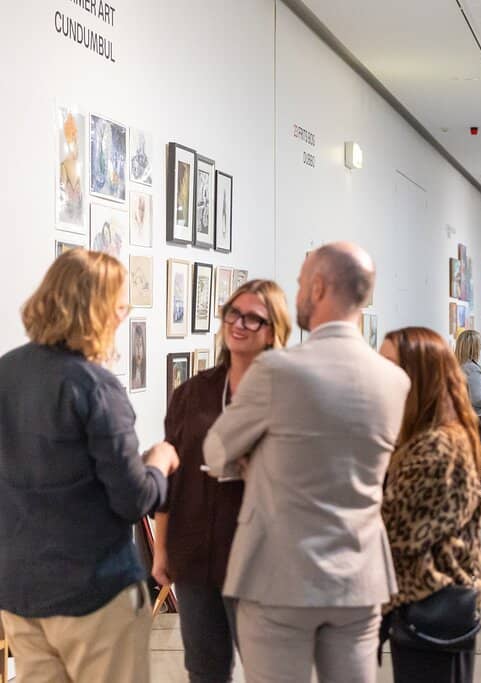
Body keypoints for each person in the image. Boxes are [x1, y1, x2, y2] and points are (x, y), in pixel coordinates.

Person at [203, 243, 411, 683]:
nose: (298, 292)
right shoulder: (393, 380)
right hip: (359, 577)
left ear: (318, 287)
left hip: (278, 575)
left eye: (300, 283)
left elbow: (216, 450)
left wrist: (253, 459)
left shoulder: (279, 370)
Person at [0, 250, 179, 683]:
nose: (123, 316)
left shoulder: (6, 371)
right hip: (93, 592)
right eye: (120, 305)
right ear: (96, 309)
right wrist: (159, 461)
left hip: (21, 591)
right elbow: (132, 498)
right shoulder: (94, 387)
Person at [153, 280, 292, 683]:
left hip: (263, 559)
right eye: (233, 313)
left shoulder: (289, 395)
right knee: (204, 669)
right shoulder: (194, 393)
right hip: (197, 555)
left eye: (254, 318)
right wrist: (162, 550)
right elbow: (172, 475)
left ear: (273, 330)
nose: (240, 324)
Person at [379, 327, 481, 683]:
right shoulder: (420, 436)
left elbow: (399, 533)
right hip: (424, 603)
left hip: (430, 601)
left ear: (418, 376)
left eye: (390, 366)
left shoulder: (437, 446)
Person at [456, 329, 481, 444]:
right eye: (480, 345)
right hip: (479, 418)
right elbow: (477, 399)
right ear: (474, 347)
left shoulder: (459, 366)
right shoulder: (472, 369)